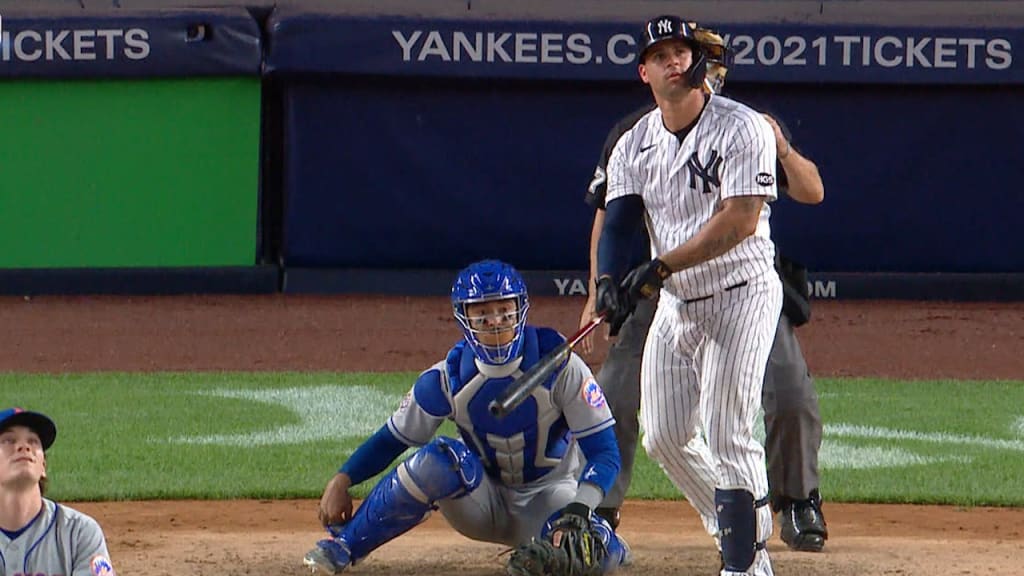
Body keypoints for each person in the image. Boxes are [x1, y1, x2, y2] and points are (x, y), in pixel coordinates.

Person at [580, 23, 829, 553]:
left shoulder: (746, 127)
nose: (674, 62)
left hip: (743, 287)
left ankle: (759, 544)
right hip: (671, 295)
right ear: (643, 72)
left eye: (682, 52)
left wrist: (782, 147)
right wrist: (603, 283)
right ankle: (738, 520)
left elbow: (742, 219)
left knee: (743, 420)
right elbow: (617, 222)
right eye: (661, 55)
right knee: (663, 436)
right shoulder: (632, 139)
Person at [303, 259, 632, 576]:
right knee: (437, 459)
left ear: (520, 309)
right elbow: (392, 439)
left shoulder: (563, 366)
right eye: (483, 313)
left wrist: (580, 507)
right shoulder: (447, 378)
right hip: (480, 502)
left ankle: (603, 544)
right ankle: (344, 546)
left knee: (584, 544)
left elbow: (604, 453)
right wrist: (342, 479)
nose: (496, 321)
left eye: (504, 310)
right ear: (464, 318)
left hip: (551, 498)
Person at [0, 407, 117, 576]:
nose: (24, 446)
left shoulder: (78, 533)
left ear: (43, 467)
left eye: (33, 441)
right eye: (8, 440)